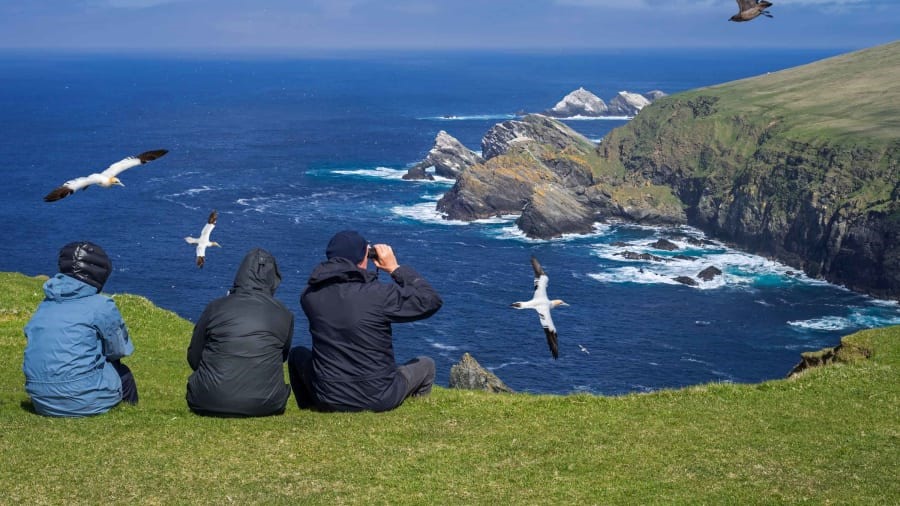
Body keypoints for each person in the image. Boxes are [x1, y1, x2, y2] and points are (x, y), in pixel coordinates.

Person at [289, 230, 443, 412]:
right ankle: (414, 412)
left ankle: (310, 408)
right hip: (379, 396)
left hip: (328, 396)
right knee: (426, 364)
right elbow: (430, 300)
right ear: (364, 258)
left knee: (297, 353)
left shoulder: (309, 296)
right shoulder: (379, 295)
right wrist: (395, 269)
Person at [23, 241, 138, 417]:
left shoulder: (44, 305)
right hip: (82, 399)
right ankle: (131, 414)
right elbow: (119, 350)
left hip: (41, 401)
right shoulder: (101, 305)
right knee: (124, 375)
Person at [186, 248, 294, 417]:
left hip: (207, 400)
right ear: (273, 280)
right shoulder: (284, 314)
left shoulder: (215, 307)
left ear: (240, 274)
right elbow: (281, 357)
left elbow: (194, 358)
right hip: (267, 404)